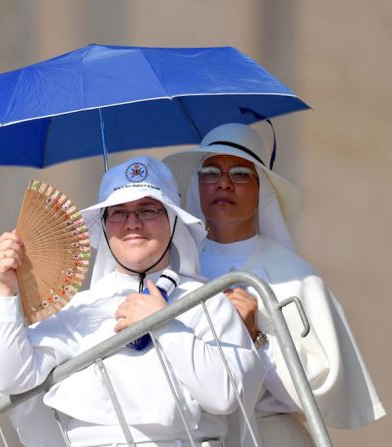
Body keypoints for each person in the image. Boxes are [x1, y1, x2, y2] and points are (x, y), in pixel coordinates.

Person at [0, 156, 266, 447]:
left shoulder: (208, 303)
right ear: (104, 227)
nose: (132, 223)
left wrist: (164, 324)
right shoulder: (79, 310)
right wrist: (5, 290)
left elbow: (224, 396)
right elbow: (12, 378)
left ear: (172, 221)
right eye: (118, 213)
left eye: (147, 210)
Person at [163, 123, 386, 445]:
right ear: (197, 186)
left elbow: (323, 392)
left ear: (261, 190)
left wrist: (258, 337)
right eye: (210, 172)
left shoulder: (296, 277)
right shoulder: (171, 270)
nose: (223, 183)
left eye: (240, 173)